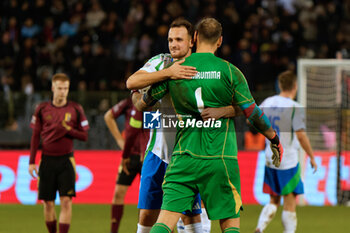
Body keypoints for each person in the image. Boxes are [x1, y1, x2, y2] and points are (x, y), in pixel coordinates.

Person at [133, 17, 283, 233]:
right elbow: (253, 113)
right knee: (229, 223)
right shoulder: (230, 71)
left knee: (163, 223)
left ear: (194, 38)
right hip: (220, 158)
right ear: (220, 41)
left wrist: (138, 95)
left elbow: (142, 102)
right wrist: (273, 138)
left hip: (183, 157)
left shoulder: (177, 70)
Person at [127, 18, 235, 233]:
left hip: (189, 154)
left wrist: (222, 111)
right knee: (147, 215)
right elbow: (132, 83)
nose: (173, 44)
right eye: (170, 40)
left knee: (192, 218)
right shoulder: (162, 61)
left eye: (179, 39)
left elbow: (237, 105)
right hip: (157, 153)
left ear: (192, 41)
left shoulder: (205, 67)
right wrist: (169, 73)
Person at [254, 71, 318, 233]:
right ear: (295, 86)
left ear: (280, 85)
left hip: (270, 157)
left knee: (273, 200)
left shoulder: (268, 102)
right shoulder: (295, 107)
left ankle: (260, 228)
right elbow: (301, 136)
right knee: (290, 202)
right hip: (287, 160)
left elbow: (252, 119)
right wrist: (311, 156)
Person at [28, 73, 89, 233]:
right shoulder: (42, 108)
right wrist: (31, 161)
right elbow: (35, 136)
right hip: (46, 160)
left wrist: (69, 130)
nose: (63, 92)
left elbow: (84, 136)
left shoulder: (75, 108)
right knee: (47, 203)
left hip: (66, 161)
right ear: (53, 88)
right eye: (60, 88)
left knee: (66, 201)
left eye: (66, 88)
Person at [104, 97, 149, 233]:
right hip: (130, 156)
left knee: (147, 199)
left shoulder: (154, 104)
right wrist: (119, 140)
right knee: (118, 193)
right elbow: (108, 116)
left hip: (148, 157)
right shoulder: (129, 103)